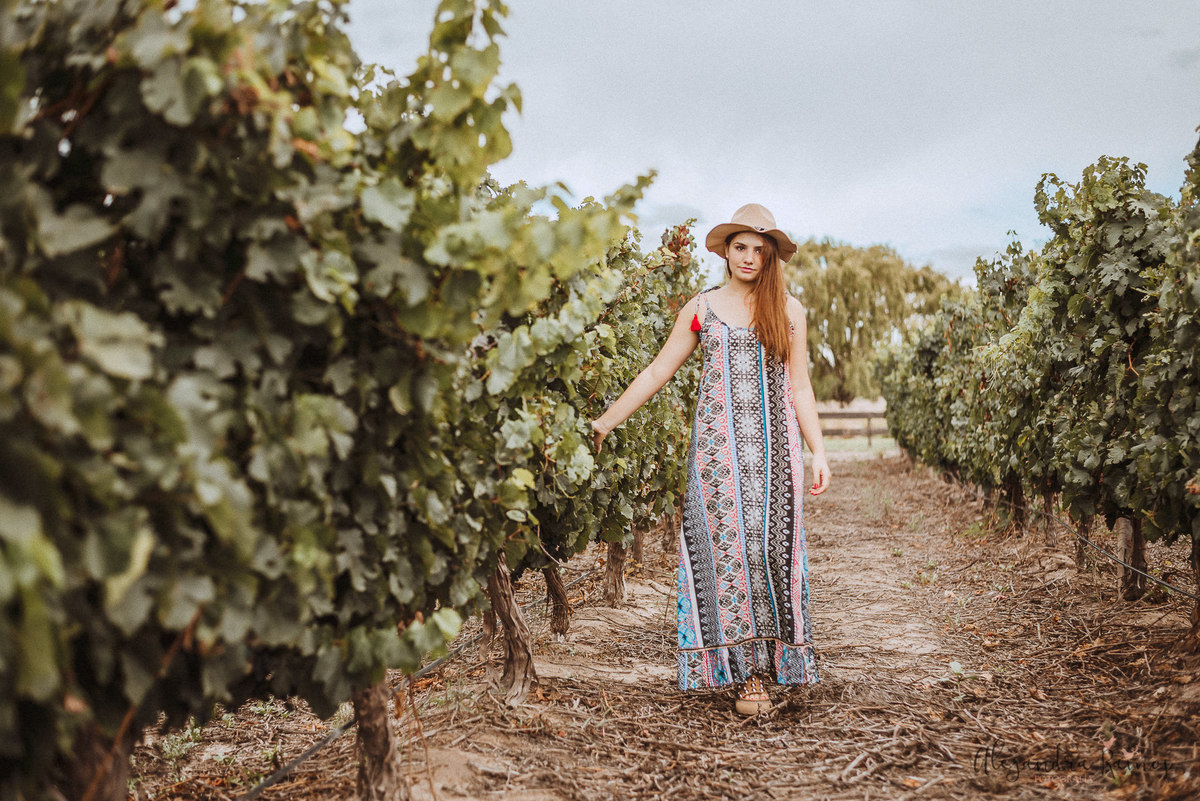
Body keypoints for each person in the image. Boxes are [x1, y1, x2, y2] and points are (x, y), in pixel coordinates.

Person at [591, 203, 830, 716]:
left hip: (775, 455)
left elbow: (801, 386)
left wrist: (819, 452)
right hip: (717, 454)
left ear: (770, 258)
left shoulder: (789, 311)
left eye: (758, 251)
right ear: (725, 251)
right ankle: (745, 677)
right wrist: (607, 420)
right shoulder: (702, 307)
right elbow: (658, 371)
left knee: (771, 554)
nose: (748, 258)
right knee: (727, 557)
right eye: (740, 247)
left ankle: (771, 666)